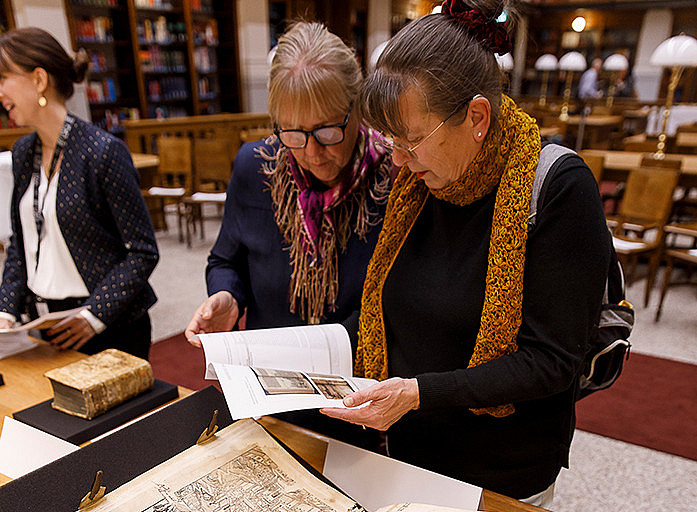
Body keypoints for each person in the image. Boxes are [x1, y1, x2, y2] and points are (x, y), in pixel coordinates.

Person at [320, 0, 611, 507]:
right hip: (408, 448)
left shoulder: (558, 188)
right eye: (390, 140)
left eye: (411, 140)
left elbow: (551, 360)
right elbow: (386, 311)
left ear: (477, 116)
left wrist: (419, 393)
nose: (399, 160)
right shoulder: (420, 185)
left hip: (502, 470)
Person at [185, 22, 392, 446]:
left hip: (360, 402)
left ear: (358, 108)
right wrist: (227, 296)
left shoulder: (394, 178)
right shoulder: (256, 167)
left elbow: (402, 300)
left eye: (328, 131)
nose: (312, 152)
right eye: (293, 134)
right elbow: (226, 260)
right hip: (268, 397)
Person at [0, 28, 159, 359]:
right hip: (43, 325)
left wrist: (94, 316)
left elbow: (142, 251)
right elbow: (21, 241)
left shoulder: (102, 152)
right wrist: (6, 310)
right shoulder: (22, 152)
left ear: (39, 79)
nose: (0, 92)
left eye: (3, 78)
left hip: (108, 328)